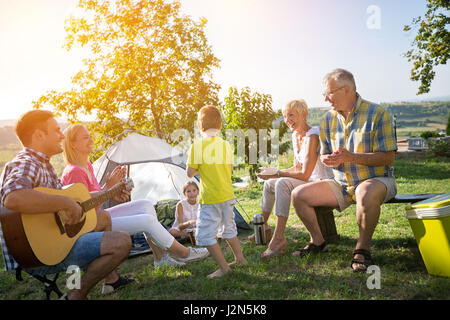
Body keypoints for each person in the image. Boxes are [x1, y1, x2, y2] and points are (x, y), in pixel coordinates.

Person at [0, 110, 132, 300]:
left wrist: (109, 193)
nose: (62, 135)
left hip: (54, 239)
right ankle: (75, 295)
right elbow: (12, 198)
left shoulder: (44, 165)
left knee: (102, 217)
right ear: (39, 135)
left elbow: (73, 198)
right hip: (37, 253)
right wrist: (64, 202)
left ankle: (103, 280)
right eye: (56, 131)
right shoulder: (26, 162)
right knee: (122, 242)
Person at [60, 124, 209, 272]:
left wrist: (114, 193)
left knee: (145, 205)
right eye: (86, 138)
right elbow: (82, 207)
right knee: (146, 220)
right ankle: (184, 253)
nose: (91, 140)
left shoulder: (87, 165)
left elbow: (94, 197)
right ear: (73, 144)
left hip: (99, 216)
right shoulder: (75, 171)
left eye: (90, 136)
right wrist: (109, 189)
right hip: (90, 225)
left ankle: (161, 258)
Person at [290, 68, 397, 272]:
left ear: (346, 89)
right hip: (341, 184)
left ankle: (362, 249)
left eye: (329, 93)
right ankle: (318, 242)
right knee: (298, 195)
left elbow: (388, 157)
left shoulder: (377, 114)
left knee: (364, 192)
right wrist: (327, 159)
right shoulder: (327, 119)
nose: (326, 99)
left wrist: (351, 157)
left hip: (377, 180)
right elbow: (323, 152)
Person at [254, 99, 333, 259]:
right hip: (307, 180)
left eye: (291, 115)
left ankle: (278, 239)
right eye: (284, 116)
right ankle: (264, 227)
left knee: (282, 183)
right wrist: (273, 173)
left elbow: (304, 174)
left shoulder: (313, 136)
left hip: (320, 182)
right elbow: (296, 168)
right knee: (270, 184)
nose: (287, 120)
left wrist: (278, 173)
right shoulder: (296, 135)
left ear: (304, 115)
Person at [186, 105, 247, 279]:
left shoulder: (197, 146)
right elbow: (230, 170)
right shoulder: (226, 145)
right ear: (220, 125)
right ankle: (240, 259)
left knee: (205, 234)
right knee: (229, 228)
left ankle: (224, 268)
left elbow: (190, 173)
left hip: (210, 198)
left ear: (199, 126)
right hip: (227, 195)